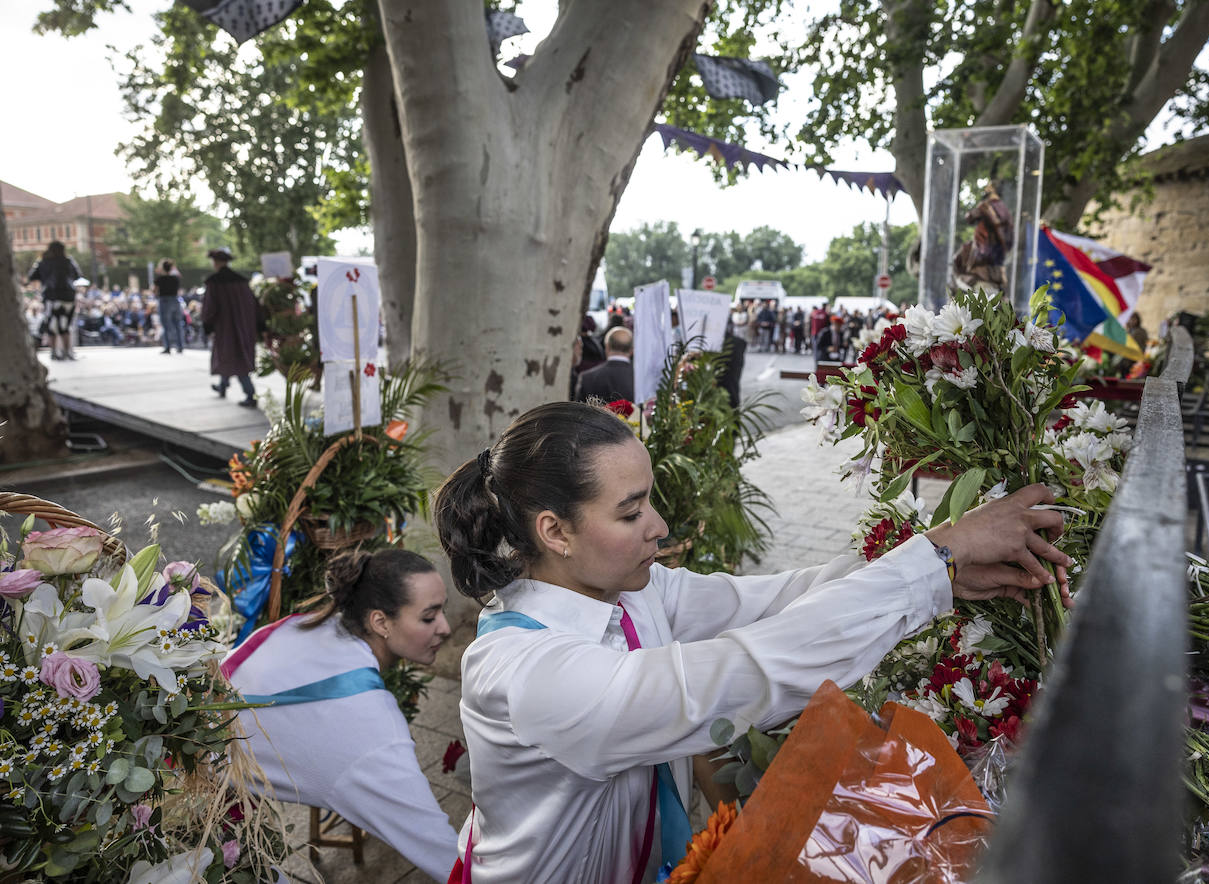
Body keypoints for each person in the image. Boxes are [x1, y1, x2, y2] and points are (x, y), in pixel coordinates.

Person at [433, 402, 1071, 883]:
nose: (659, 526)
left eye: (648, 500)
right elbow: (748, 671)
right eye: (630, 513)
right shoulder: (529, 674)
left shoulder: (630, 593)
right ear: (555, 532)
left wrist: (943, 567)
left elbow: (778, 600)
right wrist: (937, 560)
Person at [223, 549, 459, 882]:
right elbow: (449, 859)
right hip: (187, 820)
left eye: (442, 611)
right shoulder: (371, 731)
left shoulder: (308, 625)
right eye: (428, 617)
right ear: (380, 622)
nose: (446, 628)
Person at [201, 247, 261, 408]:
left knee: (234, 358)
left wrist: (207, 325)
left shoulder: (214, 283)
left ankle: (250, 394)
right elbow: (254, 305)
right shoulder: (242, 281)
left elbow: (210, 308)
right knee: (229, 356)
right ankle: (222, 386)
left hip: (225, 328)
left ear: (215, 262)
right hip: (244, 327)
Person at [27, 240, 80, 360]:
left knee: (52, 326)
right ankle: (67, 351)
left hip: (51, 296)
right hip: (68, 297)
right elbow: (77, 275)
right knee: (65, 326)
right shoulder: (69, 261)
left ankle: (55, 351)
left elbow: (31, 276)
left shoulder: (43, 262)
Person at [574, 326, 634, 403]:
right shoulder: (640, 378)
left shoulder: (587, 378)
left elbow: (579, 411)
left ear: (607, 346)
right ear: (632, 350)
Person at [155, 258, 185, 354]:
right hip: (175, 300)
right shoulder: (175, 278)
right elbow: (179, 275)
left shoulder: (160, 278)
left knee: (166, 324)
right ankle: (180, 346)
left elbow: (155, 290)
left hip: (164, 300)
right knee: (177, 324)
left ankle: (168, 346)